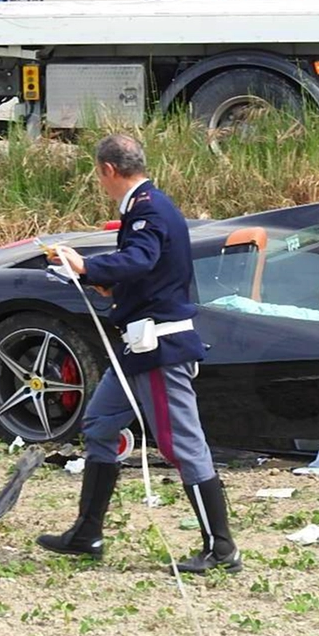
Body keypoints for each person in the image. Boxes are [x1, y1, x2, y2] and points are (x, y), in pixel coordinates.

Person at [42, 135, 241, 574]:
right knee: (99, 425)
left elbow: (141, 259)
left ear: (108, 170)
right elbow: (151, 270)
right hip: (136, 347)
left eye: (99, 174)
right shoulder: (149, 205)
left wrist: (86, 267)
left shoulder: (147, 208)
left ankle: (221, 548)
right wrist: (107, 283)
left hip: (159, 348)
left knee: (182, 445)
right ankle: (86, 533)